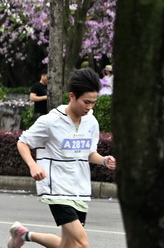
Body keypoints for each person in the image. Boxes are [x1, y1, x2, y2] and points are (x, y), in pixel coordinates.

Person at [7, 68, 117, 248]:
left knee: (68, 246)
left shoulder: (91, 122)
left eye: (93, 103)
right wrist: (33, 166)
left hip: (79, 189)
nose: (89, 107)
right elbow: (23, 142)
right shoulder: (50, 121)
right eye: (86, 102)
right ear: (72, 96)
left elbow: (88, 153)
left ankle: (24, 235)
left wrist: (104, 160)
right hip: (56, 187)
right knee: (82, 243)